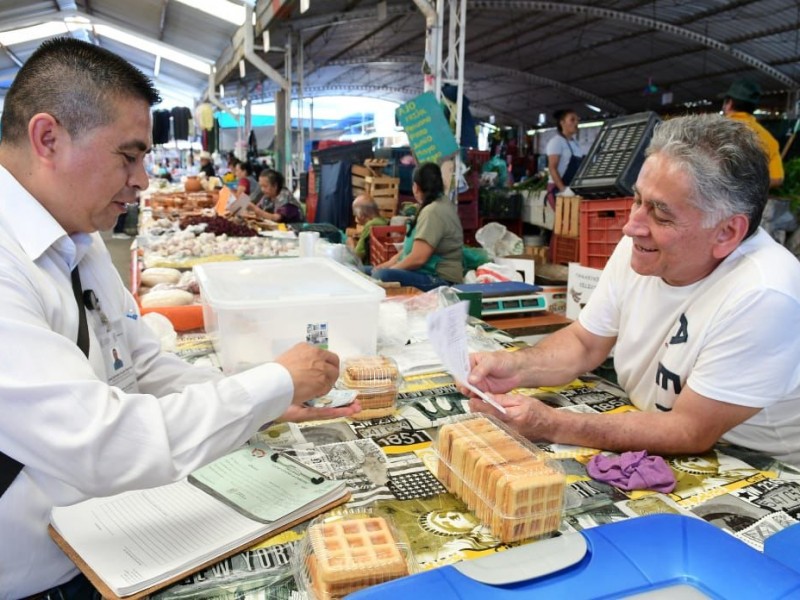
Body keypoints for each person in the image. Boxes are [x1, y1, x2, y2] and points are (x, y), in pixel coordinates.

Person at [0, 37, 360, 599]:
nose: (142, 179)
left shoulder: (80, 239)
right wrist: (274, 381)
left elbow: (142, 364)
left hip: (103, 547)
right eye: (128, 155)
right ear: (48, 138)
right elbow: (103, 443)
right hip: (36, 580)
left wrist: (251, 395)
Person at [464, 113, 800, 468]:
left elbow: (690, 430)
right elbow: (584, 343)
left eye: (661, 214)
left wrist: (551, 424)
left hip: (756, 463)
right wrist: (515, 366)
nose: (631, 226)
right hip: (657, 429)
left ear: (727, 233)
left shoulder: (765, 292)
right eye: (638, 200)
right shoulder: (642, 247)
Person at [371, 162, 464, 292]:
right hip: (425, 273)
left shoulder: (433, 211)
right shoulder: (438, 204)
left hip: (439, 279)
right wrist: (386, 265)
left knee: (381, 276)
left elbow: (418, 258)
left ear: (416, 187)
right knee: (368, 271)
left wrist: (390, 270)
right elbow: (408, 251)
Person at [721, 78, 784, 189]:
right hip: (746, 203)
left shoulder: (712, 129)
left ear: (729, 103)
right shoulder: (768, 139)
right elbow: (777, 179)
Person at [545, 108, 584, 207]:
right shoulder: (556, 142)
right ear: (562, 122)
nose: (576, 123)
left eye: (577, 120)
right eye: (572, 120)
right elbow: (552, 168)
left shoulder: (575, 144)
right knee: (563, 220)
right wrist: (563, 189)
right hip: (558, 189)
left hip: (571, 188)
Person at [349, 194, 388, 264]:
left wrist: (351, 244)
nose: (355, 219)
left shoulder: (370, 225)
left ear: (361, 215)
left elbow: (357, 257)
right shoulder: (384, 221)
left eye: (355, 215)